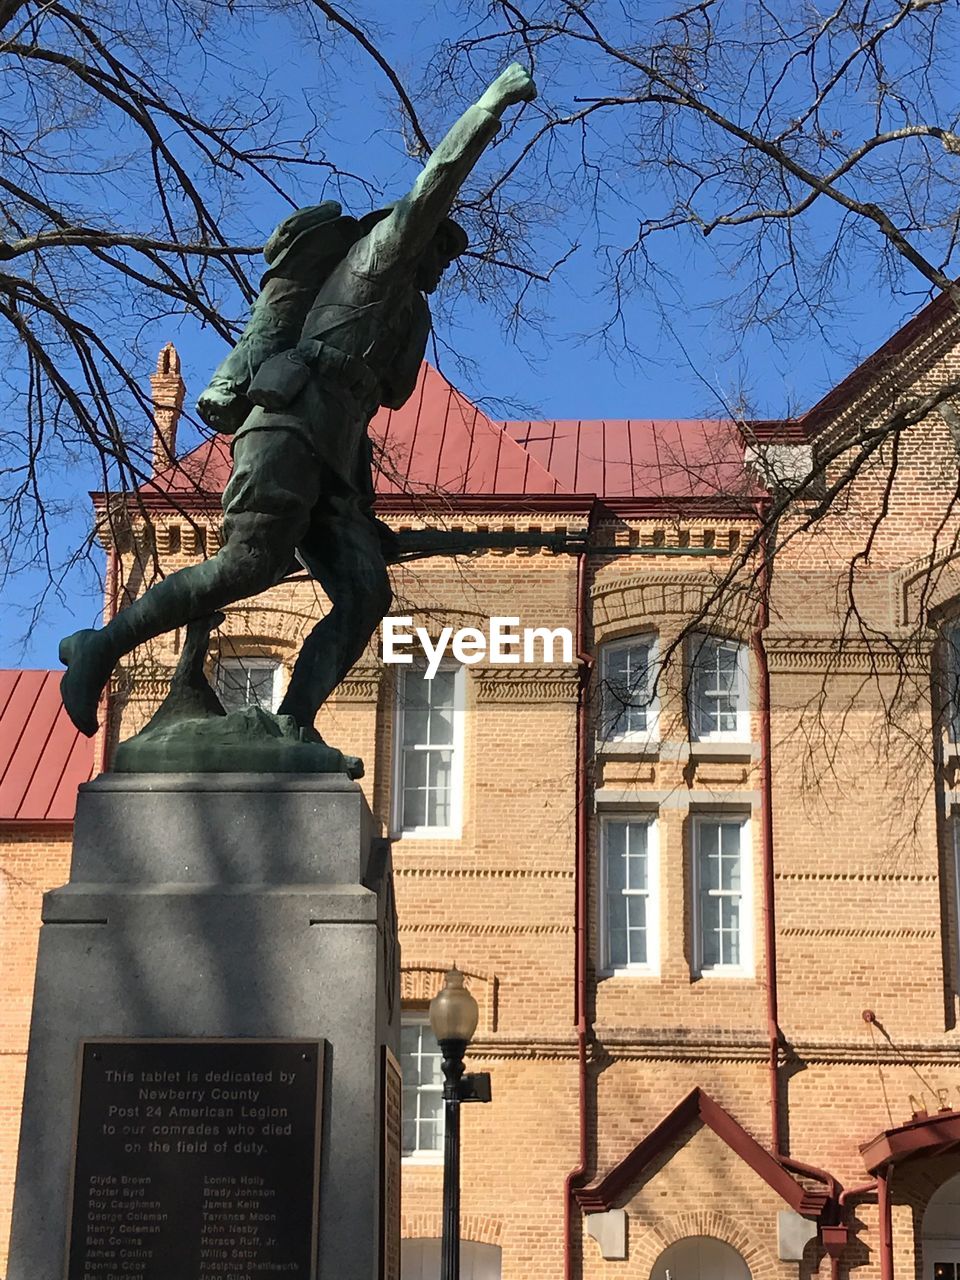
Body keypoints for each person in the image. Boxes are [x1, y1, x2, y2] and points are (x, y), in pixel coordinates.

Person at [60, 63, 537, 739]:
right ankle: (100, 646)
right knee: (249, 565)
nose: (441, 264)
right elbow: (437, 181)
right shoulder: (378, 258)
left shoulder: (409, 313)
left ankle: (293, 725)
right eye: (438, 248)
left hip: (337, 451)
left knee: (365, 595)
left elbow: (392, 394)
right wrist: (491, 105)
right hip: (288, 420)